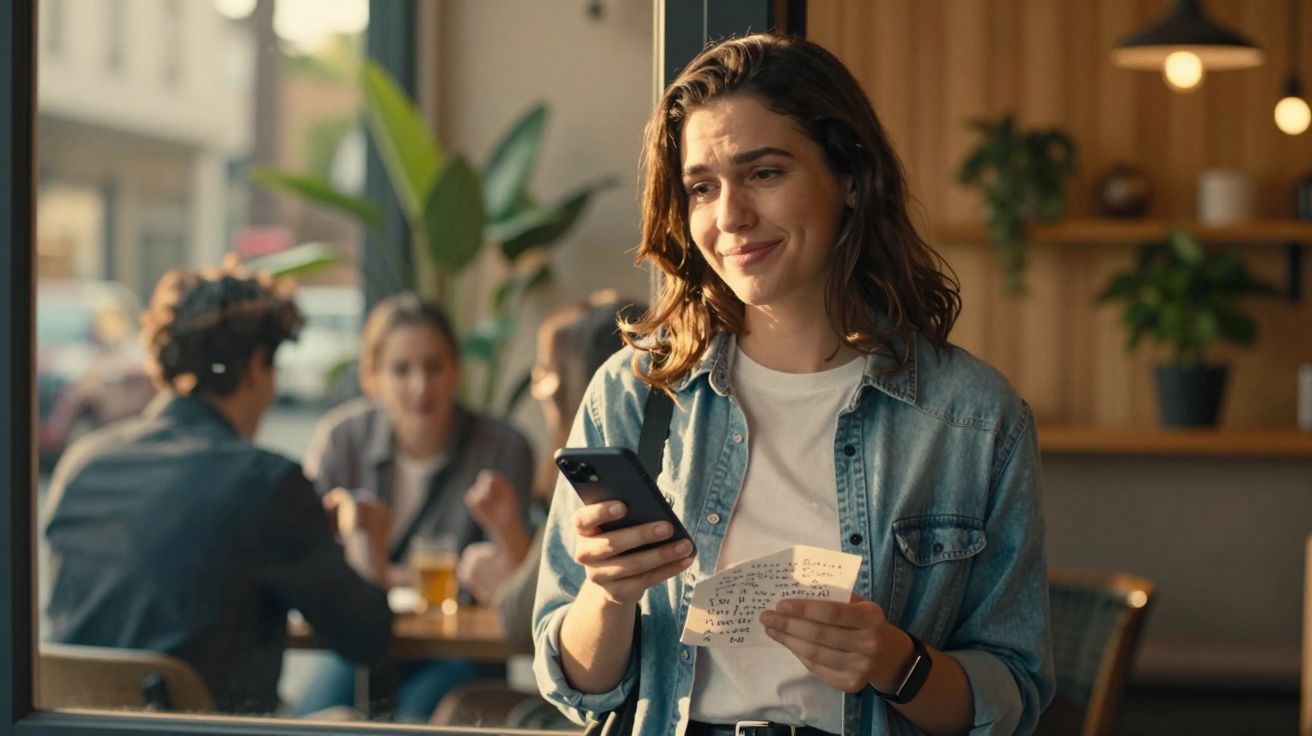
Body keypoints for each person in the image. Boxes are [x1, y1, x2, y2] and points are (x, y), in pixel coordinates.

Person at [533, 33, 1054, 736]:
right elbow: (577, 689)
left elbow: (1013, 694)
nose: (730, 217)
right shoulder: (636, 392)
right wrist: (608, 592)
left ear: (850, 176)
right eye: (702, 188)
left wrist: (899, 663)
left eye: (764, 173)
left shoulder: (972, 419)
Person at [43, 257, 393, 715]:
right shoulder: (266, 483)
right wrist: (368, 542)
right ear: (254, 368)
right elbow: (367, 637)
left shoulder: (83, 463)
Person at [294, 291, 534, 722]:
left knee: (417, 720)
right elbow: (311, 565)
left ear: (456, 370)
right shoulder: (343, 439)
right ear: (372, 377)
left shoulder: (501, 447)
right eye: (402, 370)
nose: (421, 386)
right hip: (366, 643)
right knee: (308, 722)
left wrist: (379, 573)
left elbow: (501, 579)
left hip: (460, 652)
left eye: (434, 367)